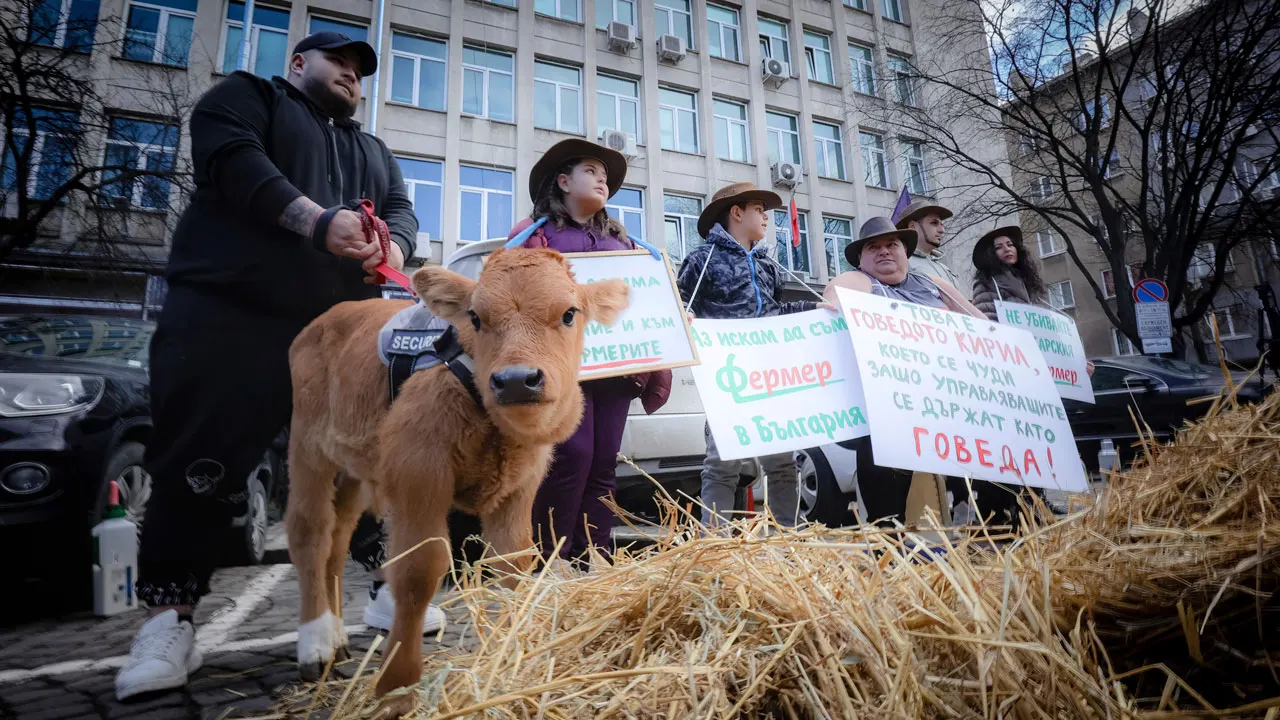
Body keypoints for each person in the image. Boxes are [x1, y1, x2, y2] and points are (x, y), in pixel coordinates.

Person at [115, 32, 443, 701]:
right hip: (233, 310)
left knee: (368, 455)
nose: (353, 74)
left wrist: (396, 243)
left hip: (339, 328)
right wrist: (317, 222)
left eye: (361, 70)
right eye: (339, 62)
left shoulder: (372, 149)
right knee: (201, 458)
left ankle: (387, 586)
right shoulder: (245, 97)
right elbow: (235, 162)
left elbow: (403, 208)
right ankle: (169, 620)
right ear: (297, 63)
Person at [509, 138, 671, 567]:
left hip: (614, 372)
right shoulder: (532, 236)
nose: (602, 178)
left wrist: (671, 327)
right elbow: (511, 298)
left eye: (605, 174)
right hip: (562, 372)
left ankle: (595, 559)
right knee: (569, 457)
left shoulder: (625, 244)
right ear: (563, 181)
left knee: (603, 463)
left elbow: (645, 303)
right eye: (591, 170)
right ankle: (549, 559)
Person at [677, 182, 832, 528]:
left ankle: (785, 540)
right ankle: (713, 547)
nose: (766, 218)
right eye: (760, 210)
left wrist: (816, 308)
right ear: (736, 213)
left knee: (781, 463)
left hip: (770, 375)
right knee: (722, 463)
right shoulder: (702, 260)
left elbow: (775, 312)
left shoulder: (768, 265)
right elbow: (680, 307)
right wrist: (685, 317)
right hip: (728, 378)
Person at [824, 217, 987, 527]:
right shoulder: (862, 282)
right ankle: (888, 550)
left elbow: (984, 326)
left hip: (946, 406)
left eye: (892, 244)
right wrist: (830, 303)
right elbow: (836, 291)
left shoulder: (933, 285)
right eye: (874, 247)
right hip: (890, 413)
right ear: (861, 259)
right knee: (886, 499)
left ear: (905, 251)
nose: (884, 251)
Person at [970, 225, 1048, 320]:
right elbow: (987, 321)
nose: (1007, 249)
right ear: (990, 254)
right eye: (999, 247)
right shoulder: (987, 283)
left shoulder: (1029, 283)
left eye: (1010, 244)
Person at [896, 199, 961, 288]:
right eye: (934, 223)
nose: (942, 230)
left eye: (942, 225)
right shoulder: (901, 265)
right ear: (912, 227)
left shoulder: (943, 267)